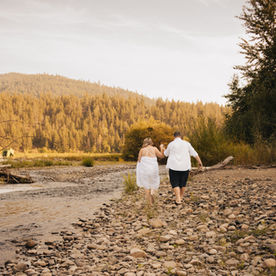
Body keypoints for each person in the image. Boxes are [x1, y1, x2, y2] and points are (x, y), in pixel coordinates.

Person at [164, 131, 203, 205]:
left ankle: (178, 199)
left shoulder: (171, 144)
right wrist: (200, 162)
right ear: (181, 136)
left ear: (174, 137)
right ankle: (180, 197)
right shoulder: (187, 144)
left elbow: (166, 154)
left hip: (173, 166)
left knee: (175, 182)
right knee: (183, 183)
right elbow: (194, 153)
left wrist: (162, 149)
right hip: (185, 167)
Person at [136, 137, 165, 206]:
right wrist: (162, 149)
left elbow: (139, 160)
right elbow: (161, 156)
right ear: (151, 142)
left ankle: (149, 203)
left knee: (146, 185)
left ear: (144, 143)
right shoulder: (154, 149)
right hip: (153, 169)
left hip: (145, 170)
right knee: (153, 182)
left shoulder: (142, 150)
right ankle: (152, 193)